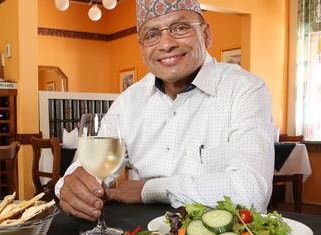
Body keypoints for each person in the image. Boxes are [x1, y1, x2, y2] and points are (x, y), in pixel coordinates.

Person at [56, 0, 275, 221]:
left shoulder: (244, 89)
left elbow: (251, 191)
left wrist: (149, 189)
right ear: (142, 47)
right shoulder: (129, 101)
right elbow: (87, 170)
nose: (166, 44)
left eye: (180, 28)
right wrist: (70, 185)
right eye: (152, 34)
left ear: (206, 34)